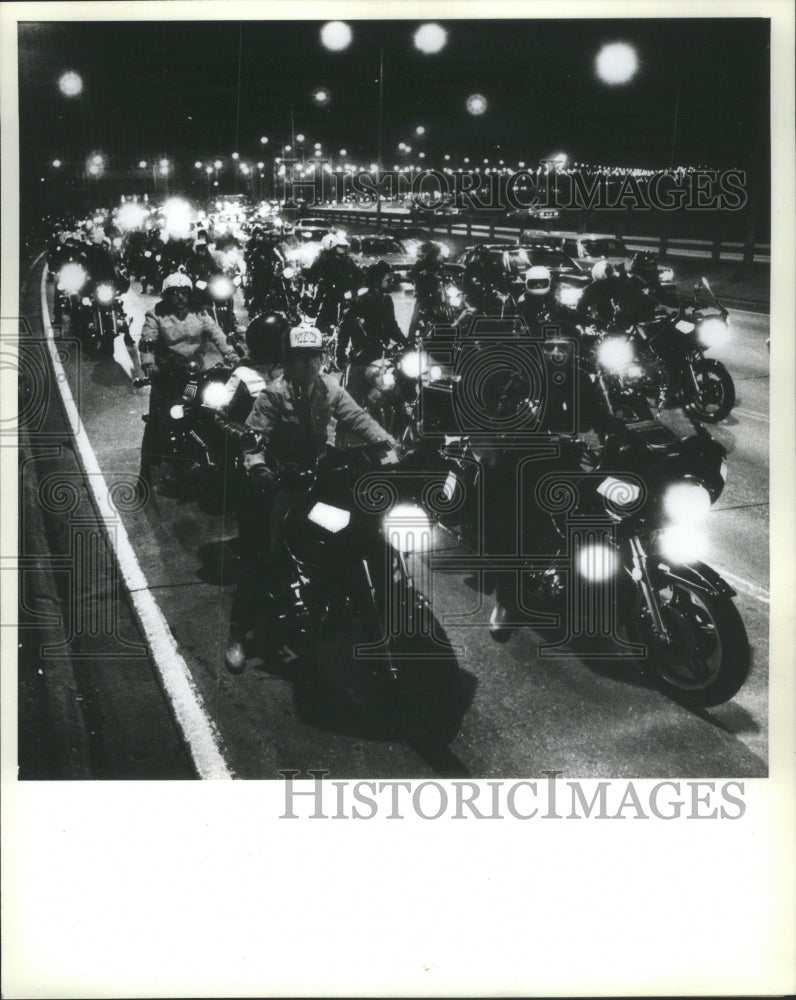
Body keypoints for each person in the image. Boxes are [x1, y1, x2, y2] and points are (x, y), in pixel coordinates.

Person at [224, 321, 398, 673]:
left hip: (324, 477)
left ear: (322, 358)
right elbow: (252, 438)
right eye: (300, 358)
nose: (308, 365)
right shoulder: (273, 394)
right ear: (288, 360)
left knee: (362, 530)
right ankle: (239, 633)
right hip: (284, 481)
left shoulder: (329, 390)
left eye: (314, 357)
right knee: (266, 555)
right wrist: (259, 468)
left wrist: (389, 445)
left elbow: (359, 419)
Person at [138, 272, 238, 491]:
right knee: (158, 421)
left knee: (215, 410)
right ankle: (147, 471)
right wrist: (150, 366)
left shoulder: (200, 313)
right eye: (175, 293)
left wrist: (233, 356)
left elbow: (217, 334)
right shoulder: (156, 315)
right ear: (167, 295)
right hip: (169, 374)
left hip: (198, 372)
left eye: (184, 293)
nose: (180, 298)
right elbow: (147, 342)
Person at [336, 261, 408, 400]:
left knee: (398, 392)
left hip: (381, 357)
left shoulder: (386, 300)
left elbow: (391, 326)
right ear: (376, 282)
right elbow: (345, 329)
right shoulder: (360, 302)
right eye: (388, 280)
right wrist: (341, 355)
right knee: (352, 402)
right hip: (362, 359)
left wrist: (406, 342)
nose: (391, 283)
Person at [305, 233, 363, 333]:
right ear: (335, 247)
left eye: (344, 247)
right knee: (325, 306)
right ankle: (320, 328)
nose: (342, 249)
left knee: (354, 310)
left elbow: (358, 273)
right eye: (340, 246)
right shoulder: (327, 260)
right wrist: (321, 280)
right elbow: (320, 272)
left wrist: (359, 283)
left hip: (345, 291)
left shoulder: (349, 261)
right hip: (330, 290)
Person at [407, 241, 446, 337]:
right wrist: (420, 274)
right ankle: (410, 340)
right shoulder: (421, 263)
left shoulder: (438, 265)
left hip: (435, 295)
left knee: (442, 315)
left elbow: (443, 276)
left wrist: (442, 278)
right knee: (416, 318)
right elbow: (409, 273)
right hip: (422, 295)